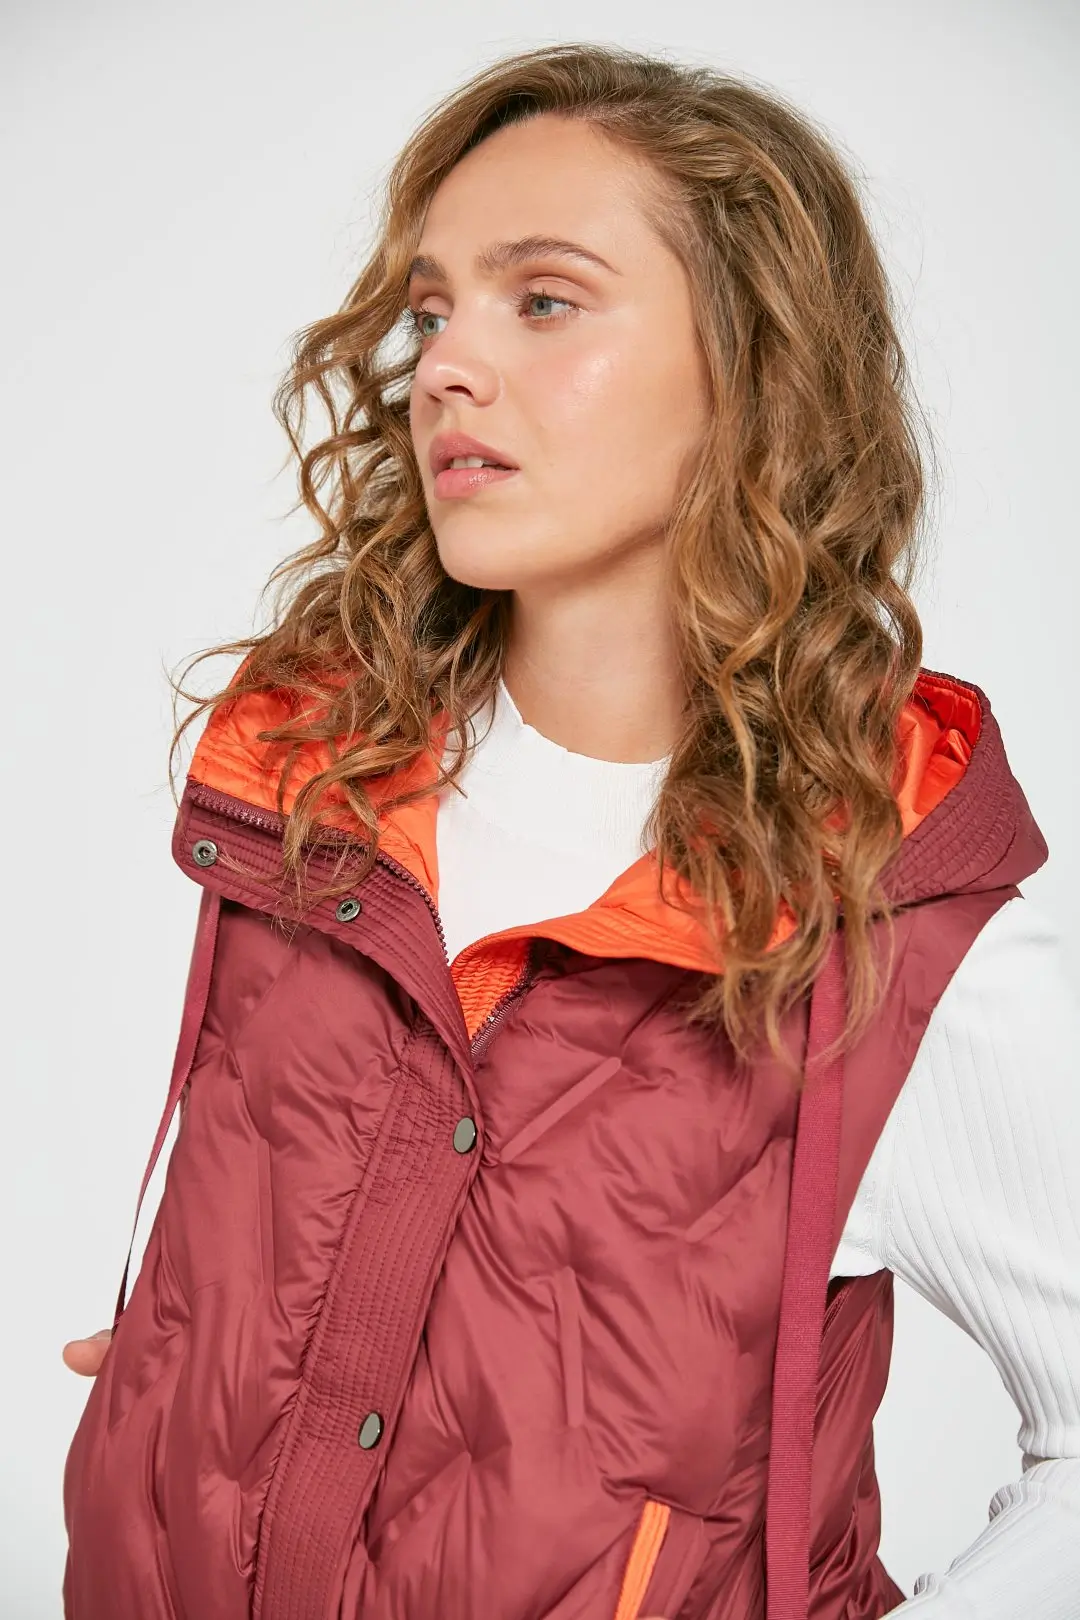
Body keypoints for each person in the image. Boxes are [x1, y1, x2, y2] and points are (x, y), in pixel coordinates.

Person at [60, 40, 1080, 1620]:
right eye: (431, 314)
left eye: (543, 301)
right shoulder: (313, 792)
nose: (447, 369)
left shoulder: (900, 936)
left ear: (753, 367)